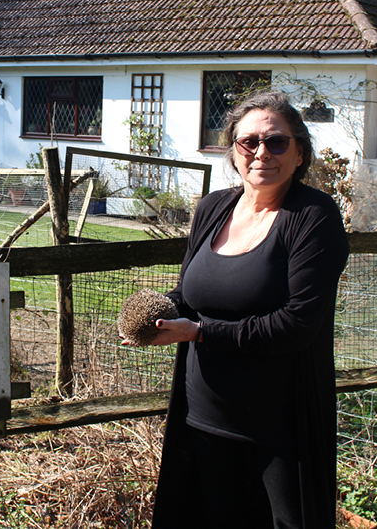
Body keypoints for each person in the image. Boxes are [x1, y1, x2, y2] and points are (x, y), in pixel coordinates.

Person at [124, 91, 350, 528]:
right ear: (233, 150)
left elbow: (296, 325)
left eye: (277, 142)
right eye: (249, 142)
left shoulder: (313, 217)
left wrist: (199, 332)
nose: (262, 152)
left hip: (278, 426)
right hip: (202, 415)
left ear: (300, 152)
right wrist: (157, 313)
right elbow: (191, 294)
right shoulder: (213, 208)